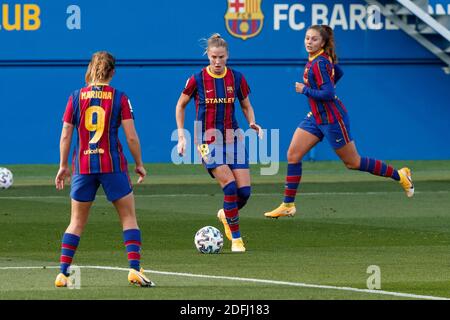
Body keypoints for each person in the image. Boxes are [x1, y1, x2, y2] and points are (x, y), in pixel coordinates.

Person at [264, 25, 414, 218]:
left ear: (323, 43)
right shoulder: (318, 60)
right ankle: (288, 204)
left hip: (333, 119)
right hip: (316, 117)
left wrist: (305, 90)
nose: (309, 42)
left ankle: (400, 175)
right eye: (307, 38)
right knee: (293, 154)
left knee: (353, 162)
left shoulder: (318, 63)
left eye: (314, 39)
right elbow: (338, 73)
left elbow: (328, 93)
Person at [54, 51, 154, 287]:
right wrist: (139, 163)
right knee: (128, 217)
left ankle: (62, 272)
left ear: (90, 69)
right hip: (112, 165)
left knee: (76, 221)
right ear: (113, 72)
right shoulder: (120, 97)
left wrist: (63, 166)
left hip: (84, 167)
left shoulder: (75, 97)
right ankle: (134, 269)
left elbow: (66, 134)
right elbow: (131, 137)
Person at [175, 33, 263, 252]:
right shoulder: (197, 79)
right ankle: (236, 239)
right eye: (213, 57)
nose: (216, 62)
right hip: (206, 140)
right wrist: (182, 135)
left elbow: (246, 105)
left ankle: (226, 213)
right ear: (208, 55)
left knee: (244, 192)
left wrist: (252, 122)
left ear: (227, 56)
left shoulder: (237, 78)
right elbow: (180, 105)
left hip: (233, 137)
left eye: (221, 57)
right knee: (230, 186)